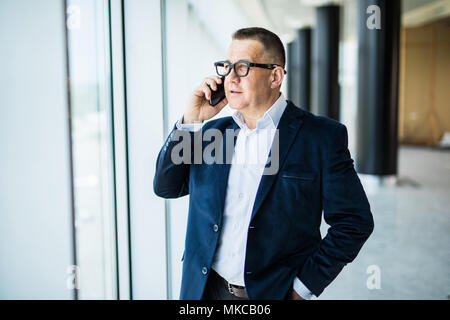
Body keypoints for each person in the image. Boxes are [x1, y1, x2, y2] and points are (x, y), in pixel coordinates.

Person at [153, 27, 374, 300]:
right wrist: (190, 121)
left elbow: (354, 223)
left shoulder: (321, 137)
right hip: (203, 291)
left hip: (273, 294)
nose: (230, 78)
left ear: (275, 76)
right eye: (227, 66)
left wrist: (301, 290)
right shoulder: (214, 134)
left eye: (243, 67)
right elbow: (166, 186)